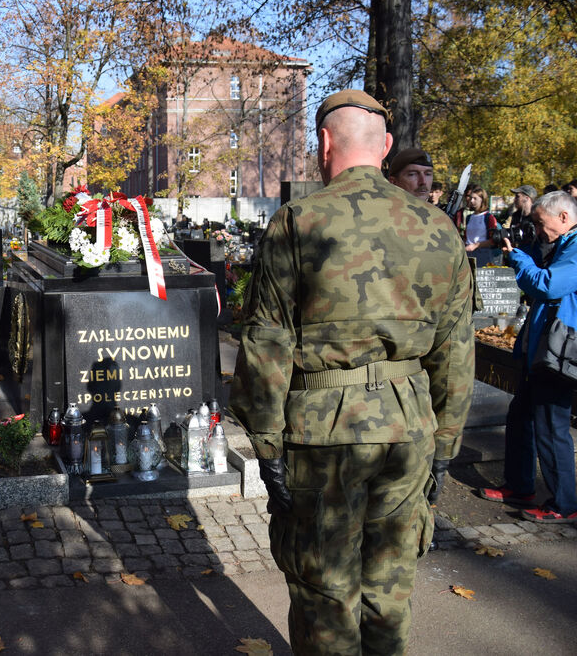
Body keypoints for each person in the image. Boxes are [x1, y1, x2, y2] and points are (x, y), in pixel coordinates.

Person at [229, 89, 475, 654]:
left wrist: (267, 448)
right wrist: (444, 444)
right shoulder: (439, 227)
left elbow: (266, 341)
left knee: (325, 591)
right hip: (409, 428)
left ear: (322, 144)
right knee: (389, 589)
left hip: (324, 435)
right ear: (386, 147)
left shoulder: (299, 222)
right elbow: (456, 351)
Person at [477, 191, 577, 522]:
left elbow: (547, 285)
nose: (535, 229)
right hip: (540, 349)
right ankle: (520, 486)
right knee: (520, 417)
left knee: (551, 428)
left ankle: (564, 504)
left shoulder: (575, 249)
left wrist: (519, 258)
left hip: (560, 353)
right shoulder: (559, 245)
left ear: (564, 218)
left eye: (539, 223)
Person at [463, 186, 501, 265]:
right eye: (471, 198)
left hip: (483, 255)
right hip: (468, 254)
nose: (472, 201)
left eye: (475, 198)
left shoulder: (488, 217)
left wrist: (475, 245)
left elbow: (493, 240)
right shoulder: (469, 217)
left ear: (482, 199)